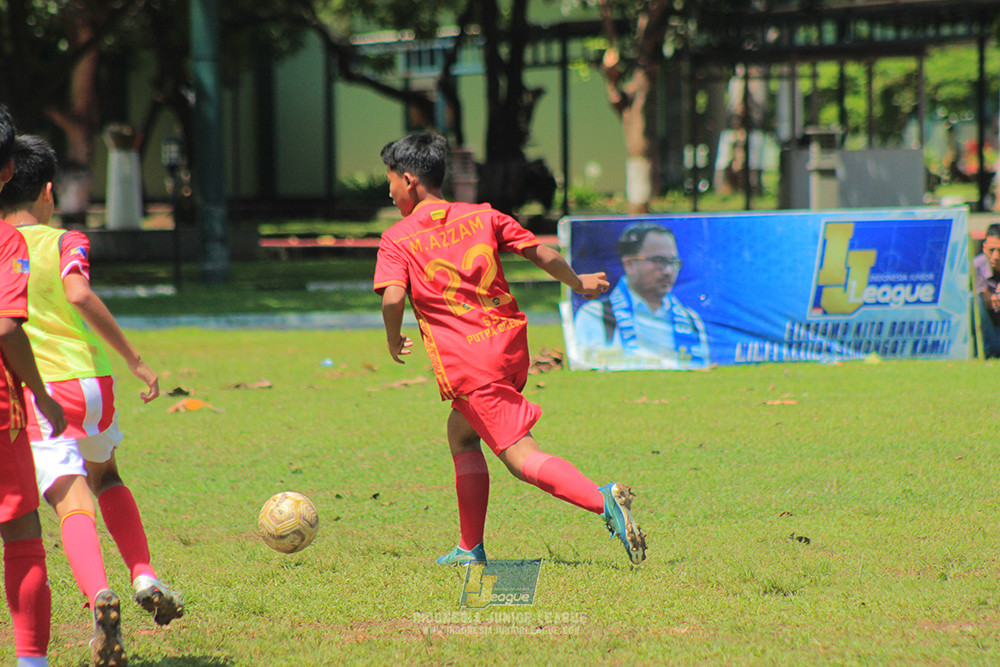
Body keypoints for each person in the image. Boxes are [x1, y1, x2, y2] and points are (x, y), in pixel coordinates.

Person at [373, 132, 646, 566]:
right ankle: (469, 547)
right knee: (461, 433)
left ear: (409, 180)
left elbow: (391, 298)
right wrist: (578, 283)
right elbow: (539, 252)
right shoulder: (483, 214)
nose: (388, 191)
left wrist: (392, 336)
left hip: (470, 363)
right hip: (508, 347)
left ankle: (603, 501)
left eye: (389, 181)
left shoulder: (398, 238)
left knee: (522, 457)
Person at [0, 135, 184, 667]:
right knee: (108, 476)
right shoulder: (63, 240)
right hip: (92, 383)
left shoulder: (4, 246)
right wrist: (134, 359)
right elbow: (77, 292)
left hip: (42, 389)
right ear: (49, 193)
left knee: (68, 499)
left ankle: (98, 595)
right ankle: (144, 573)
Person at [0, 105, 67, 667]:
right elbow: (5, 327)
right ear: (7, 172)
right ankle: (31, 661)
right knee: (21, 531)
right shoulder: (7, 243)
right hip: (1, 410)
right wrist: (41, 393)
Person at [573, 222, 710, 370]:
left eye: (673, 262)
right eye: (659, 261)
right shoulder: (595, 316)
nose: (668, 271)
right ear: (629, 264)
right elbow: (588, 368)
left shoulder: (691, 321)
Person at [973, 223, 1000, 358]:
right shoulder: (974, 268)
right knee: (973, 299)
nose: (996, 256)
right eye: (992, 250)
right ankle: (985, 349)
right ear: (984, 248)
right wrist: (982, 295)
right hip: (989, 332)